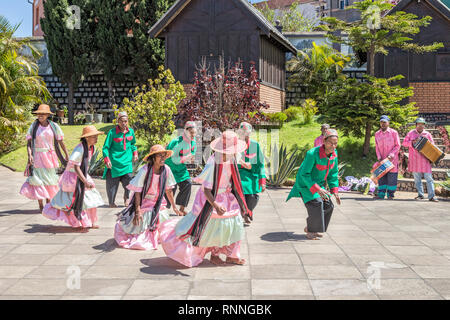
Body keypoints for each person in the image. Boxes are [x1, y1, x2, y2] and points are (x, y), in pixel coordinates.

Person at [159, 131, 251, 267]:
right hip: (211, 197)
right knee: (213, 227)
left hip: (227, 196)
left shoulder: (233, 156)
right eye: (231, 150)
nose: (234, 152)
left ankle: (232, 255)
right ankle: (214, 254)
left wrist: (244, 164)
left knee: (235, 223)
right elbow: (206, 189)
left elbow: (238, 160)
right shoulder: (213, 162)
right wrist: (216, 205)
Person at [114, 145, 183, 250]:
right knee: (147, 216)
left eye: (164, 156)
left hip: (158, 201)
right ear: (153, 158)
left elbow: (168, 190)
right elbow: (137, 191)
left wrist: (174, 207)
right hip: (144, 201)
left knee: (162, 215)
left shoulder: (166, 170)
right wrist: (137, 210)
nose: (163, 158)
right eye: (160, 156)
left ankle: (156, 235)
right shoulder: (145, 170)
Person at [42, 126, 105, 230]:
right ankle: (78, 221)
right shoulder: (80, 148)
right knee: (75, 199)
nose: (96, 138)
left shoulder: (90, 148)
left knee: (91, 198)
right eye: (94, 136)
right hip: (73, 177)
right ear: (86, 138)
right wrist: (84, 181)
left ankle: (91, 221)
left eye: (96, 136)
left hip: (82, 173)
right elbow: (76, 167)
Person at [286, 129, 341, 240]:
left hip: (319, 186)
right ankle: (311, 231)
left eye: (335, 143)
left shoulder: (334, 154)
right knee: (316, 203)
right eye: (331, 143)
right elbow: (304, 174)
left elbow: (333, 174)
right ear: (324, 141)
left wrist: (334, 191)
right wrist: (317, 189)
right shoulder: (312, 154)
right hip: (306, 185)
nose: (333, 146)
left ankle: (312, 227)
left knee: (328, 205)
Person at [20, 104, 69, 212]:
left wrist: (66, 154)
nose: (40, 116)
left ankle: (48, 204)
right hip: (38, 156)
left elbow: (60, 141)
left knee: (50, 180)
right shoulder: (34, 126)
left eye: (43, 114)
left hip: (50, 157)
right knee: (38, 180)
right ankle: (41, 205)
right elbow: (29, 143)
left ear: (47, 115)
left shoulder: (54, 126)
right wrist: (30, 155)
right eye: (38, 114)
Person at [102, 111, 138, 208]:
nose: (124, 123)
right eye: (122, 121)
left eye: (125, 121)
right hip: (114, 164)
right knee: (112, 186)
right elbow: (105, 147)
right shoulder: (112, 133)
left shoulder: (131, 132)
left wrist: (135, 153)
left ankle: (126, 198)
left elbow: (133, 145)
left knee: (129, 181)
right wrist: (107, 160)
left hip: (127, 164)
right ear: (118, 121)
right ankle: (111, 202)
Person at [164, 121, 197, 215]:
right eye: (191, 133)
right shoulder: (176, 142)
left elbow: (192, 154)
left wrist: (191, 158)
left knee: (188, 184)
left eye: (194, 133)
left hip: (181, 169)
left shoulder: (193, 143)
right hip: (171, 168)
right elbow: (169, 155)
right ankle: (164, 208)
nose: (193, 135)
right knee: (170, 189)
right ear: (185, 131)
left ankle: (182, 208)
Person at [402, 117, 439, 202]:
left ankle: (432, 196)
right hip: (414, 160)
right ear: (416, 125)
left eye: (422, 124)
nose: (420, 126)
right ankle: (420, 195)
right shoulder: (411, 133)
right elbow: (404, 143)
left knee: (429, 178)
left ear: (424, 125)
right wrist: (412, 142)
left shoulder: (427, 134)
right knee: (417, 179)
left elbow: (433, 146)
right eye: (419, 124)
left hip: (425, 160)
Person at [237, 122, 266, 223]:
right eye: (242, 133)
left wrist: (262, 182)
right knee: (243, 194)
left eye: (247, 133)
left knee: (254, 197)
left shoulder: (255, 145)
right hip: (239, 175)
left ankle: (248, 211)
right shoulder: (235, 145)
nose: (245, 135)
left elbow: (261, 164)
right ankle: (244, 213)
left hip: (253, 175)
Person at [374, 115, 401, 200]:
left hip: (392, 160)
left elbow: (397, 145)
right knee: (381, 177)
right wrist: (379, 157)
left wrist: (391, 155)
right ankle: (381, 194)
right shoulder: (377, 134)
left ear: (388, 123)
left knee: (392, 177)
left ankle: (390, 195)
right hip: (382, 160)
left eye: (384, 122)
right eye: (381, 122)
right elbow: (376, 147)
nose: (383, 124)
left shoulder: (394, 133)